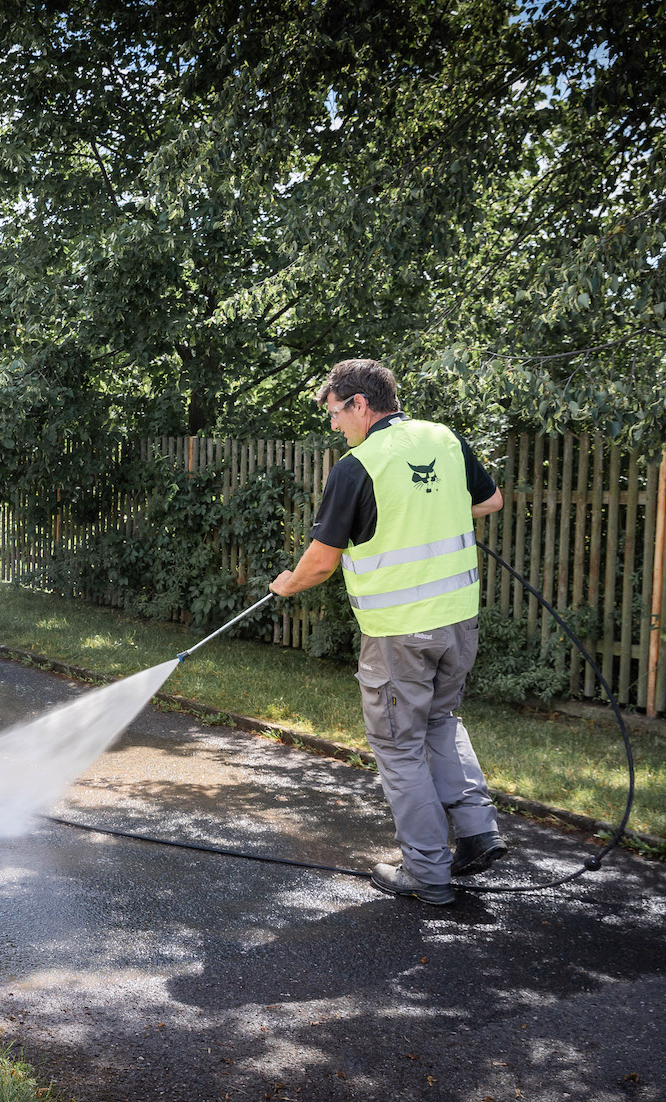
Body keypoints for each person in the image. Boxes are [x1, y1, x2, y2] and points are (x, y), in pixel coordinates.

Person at [269, 359, 507, 906]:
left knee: (399, 747)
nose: (333, 426)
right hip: (459, 621)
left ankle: (426, 872)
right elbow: (490, 500)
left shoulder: (360, 465)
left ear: (359, 403)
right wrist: (435, 514)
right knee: (441, 721)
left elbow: (321, 563)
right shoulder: (443, 439)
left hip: (401, 633)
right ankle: (477, 833)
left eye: (334, 412)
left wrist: (287, 585)